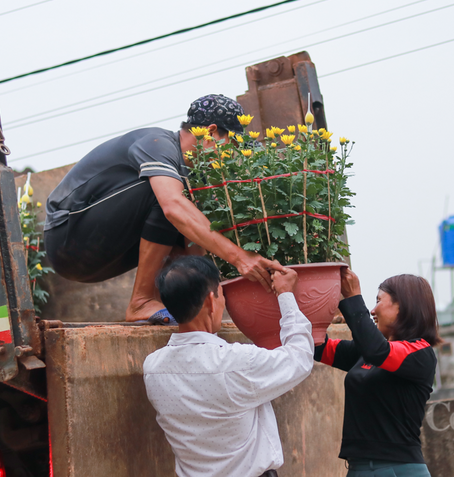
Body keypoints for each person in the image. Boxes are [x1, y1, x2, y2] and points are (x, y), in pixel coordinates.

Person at [44, 94, 283, 324]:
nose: (233, 154)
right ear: (210, 132)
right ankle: (142, 301)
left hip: (104, 252)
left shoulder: (191, 173)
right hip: (67, 238)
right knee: (172, 198)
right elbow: (172, 207)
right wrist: (240, 258)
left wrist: (205, 299)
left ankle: (166, 303)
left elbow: (193, 243)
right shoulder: (157, 144)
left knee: (190, 208)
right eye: (232, 145)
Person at [143, 256, 313, 477]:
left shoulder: (153, 368)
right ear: (211, 302)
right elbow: (299, 358)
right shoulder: (236, 362)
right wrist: (286, 295)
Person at [314, 268, 441, 477]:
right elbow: (319, 347)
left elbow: (378, 351)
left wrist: (353, 297)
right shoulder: (366, 352)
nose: (373, 310)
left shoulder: (419, 352)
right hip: (357, 469)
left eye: (379, 300)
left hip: (396, 470)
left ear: (403, 306)